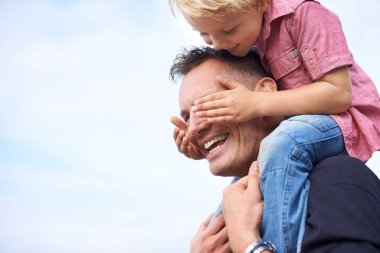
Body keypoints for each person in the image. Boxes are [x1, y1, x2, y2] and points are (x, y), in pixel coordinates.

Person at [169, 1, 380, 251]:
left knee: (282, 142)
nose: (218, 44)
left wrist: (249, 245)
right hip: (294, 131)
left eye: (215, 104)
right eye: (204, 34)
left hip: (344, 118)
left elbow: (339, 94)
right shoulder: (248, 38)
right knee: (229, 203)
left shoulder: (335, 182)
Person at [222, 154, 380, 253]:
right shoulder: (235, 211)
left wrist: (246, 242)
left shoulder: (337, 177)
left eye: (209, 102)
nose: (196, 129)